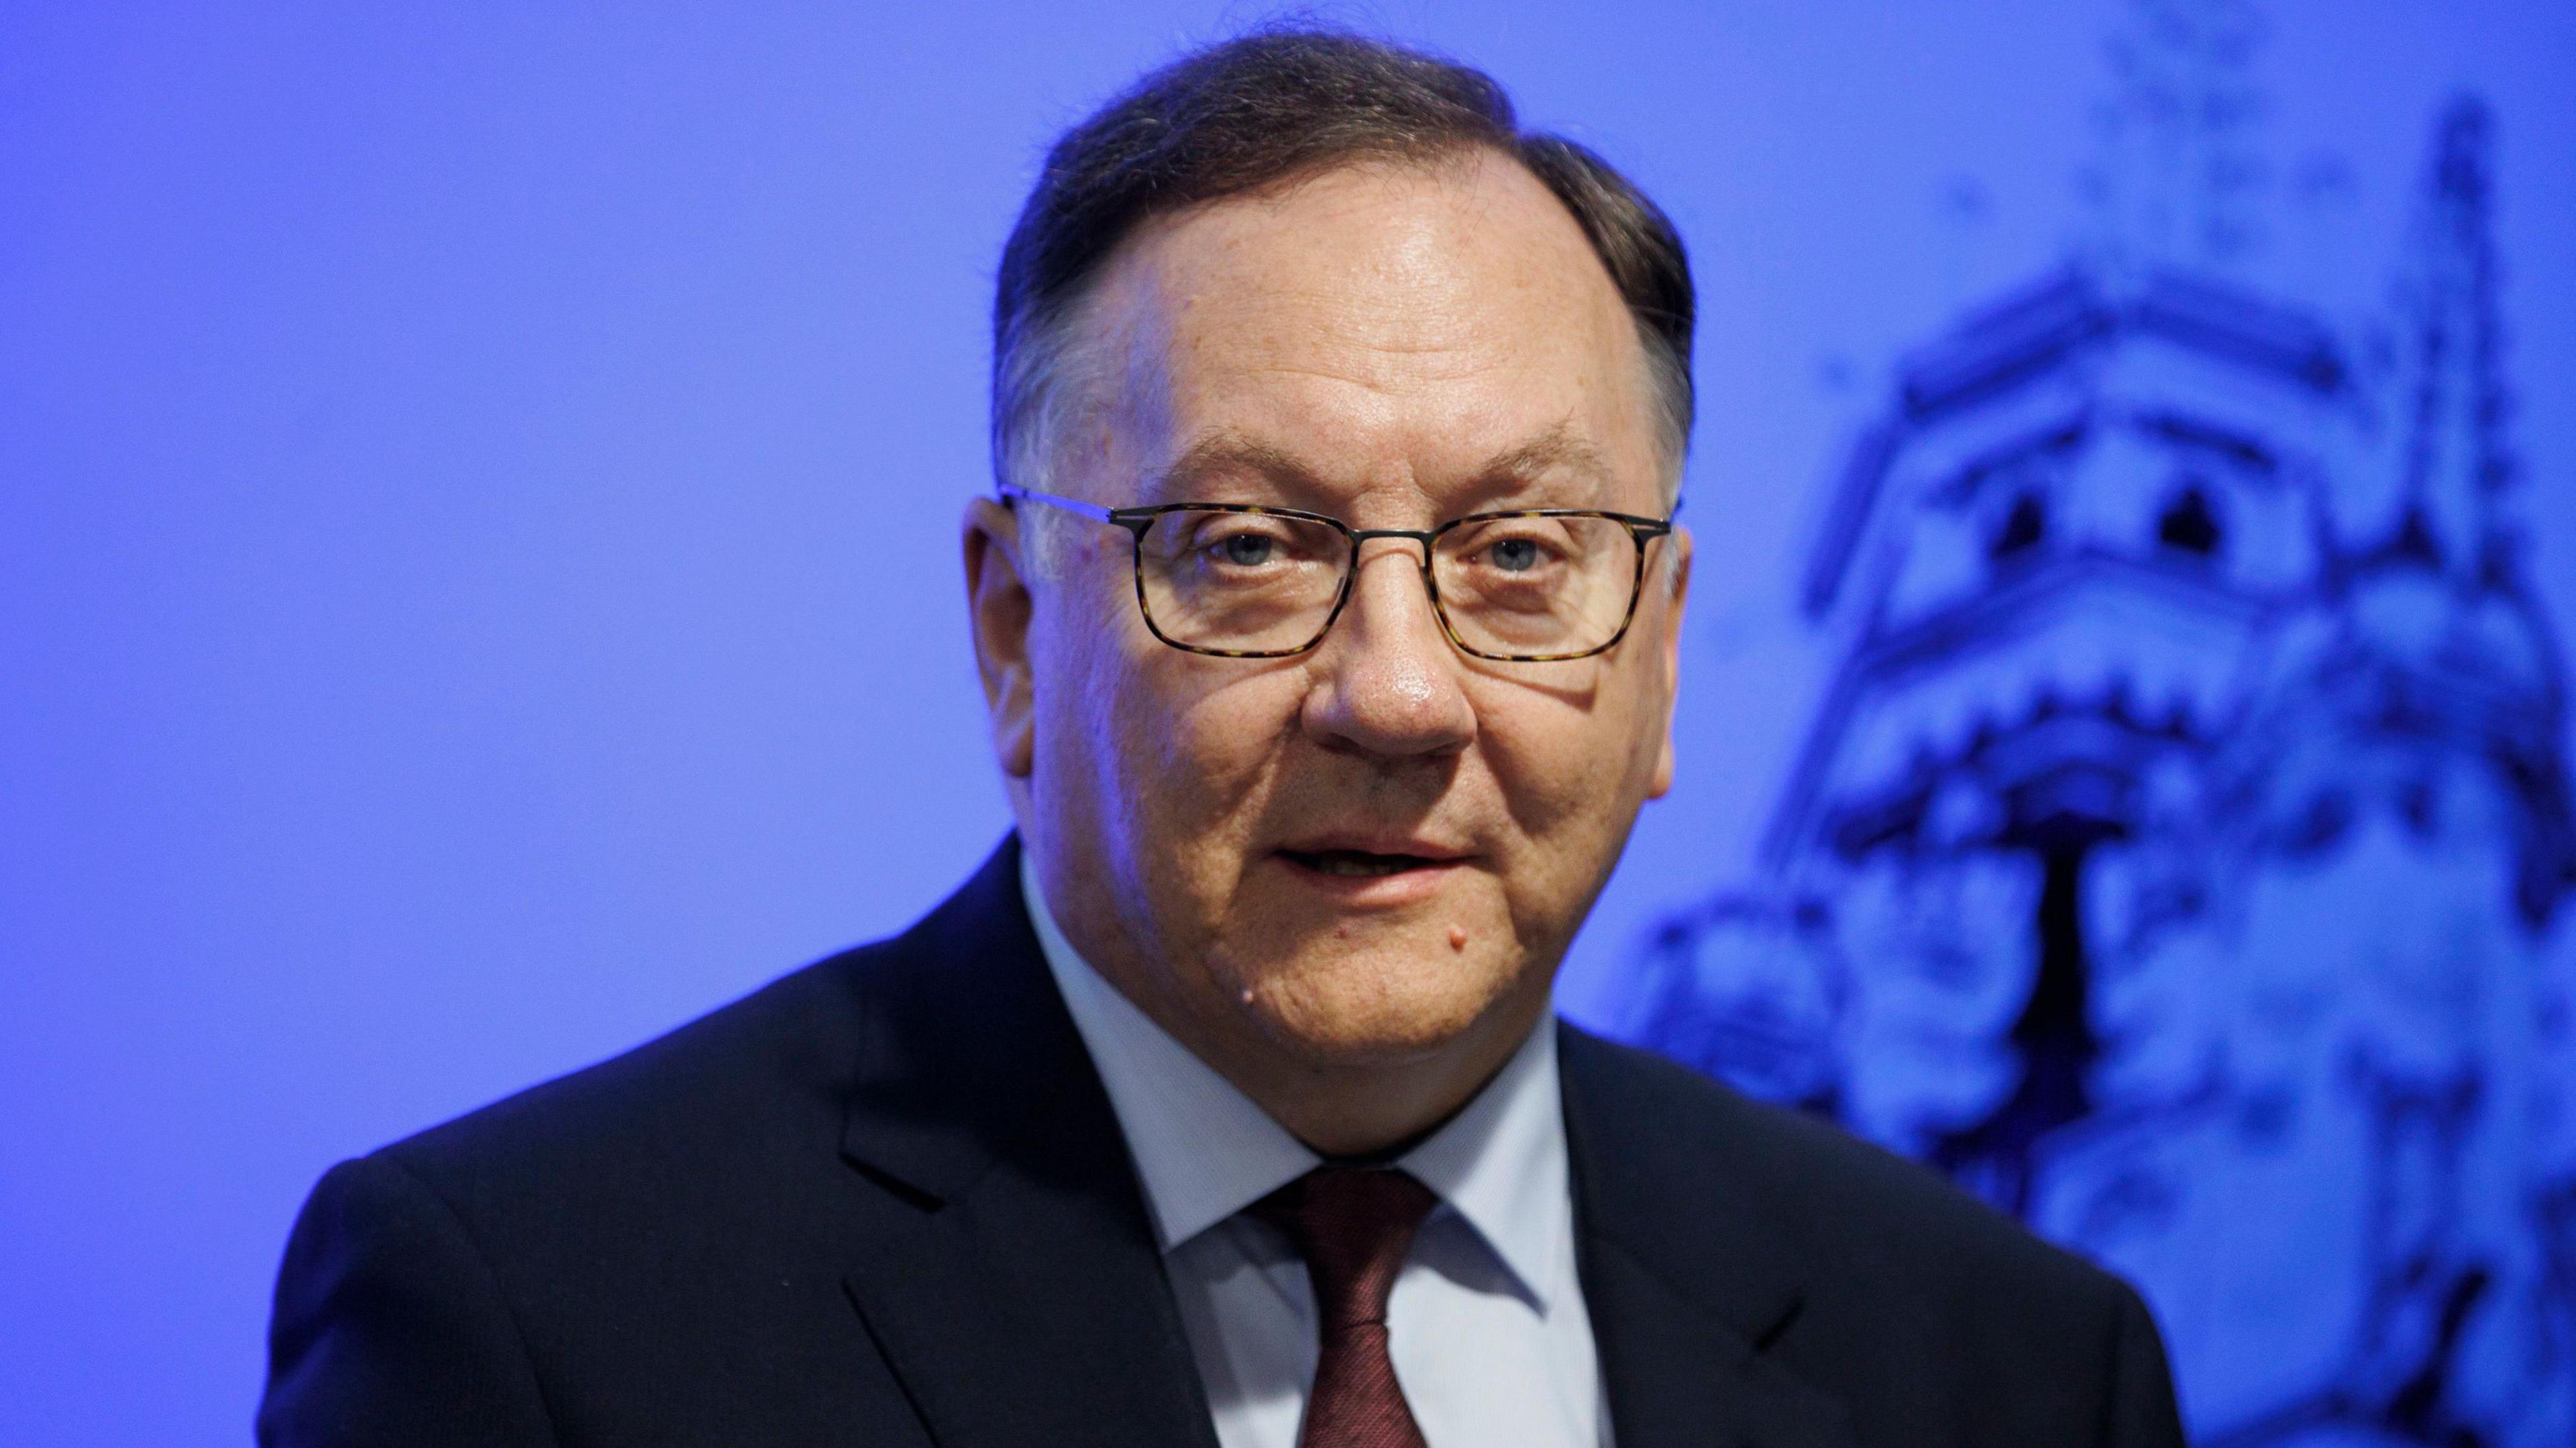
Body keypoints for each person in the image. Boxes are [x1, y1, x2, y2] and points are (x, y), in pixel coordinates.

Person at [259, 28, 2184, 1448]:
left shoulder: (2010, 1370)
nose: (1400, 695)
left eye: (1521, 555)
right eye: (1248, 550)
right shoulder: (536, 1326)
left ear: (1662, 656)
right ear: (1016, 637)